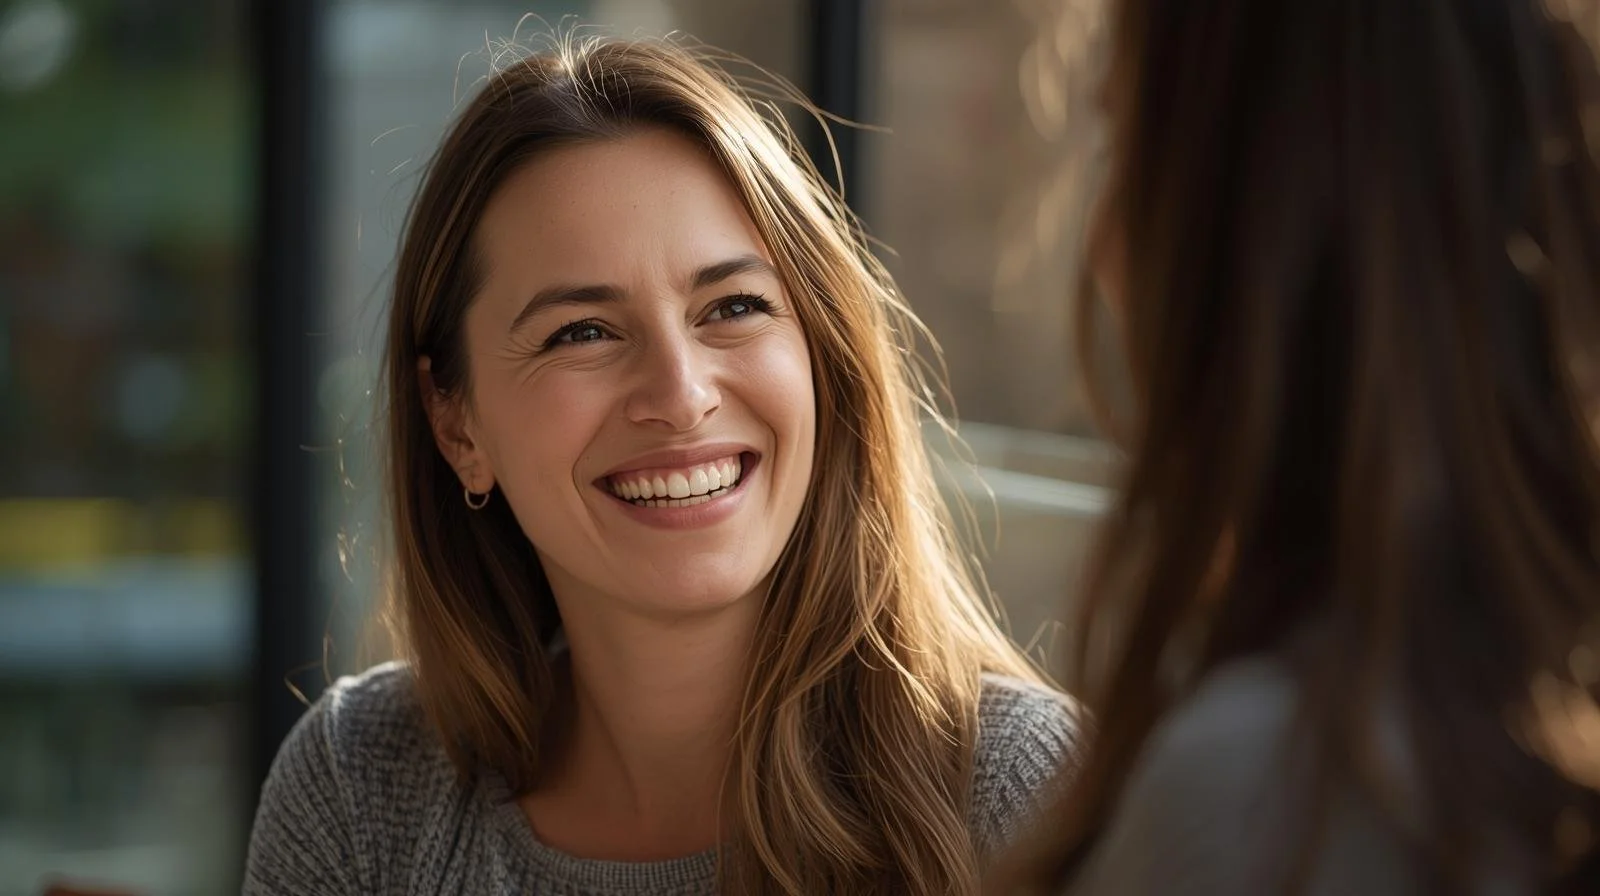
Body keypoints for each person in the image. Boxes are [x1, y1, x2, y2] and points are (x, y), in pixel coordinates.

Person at [243, 32, 1081, 896]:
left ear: (824, 357)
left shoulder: (1025, 799)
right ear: (455, 424)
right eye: (583, 332)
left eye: (734, 306)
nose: (681, 396)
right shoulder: (361, 789)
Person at [990, 0, 1600, 893]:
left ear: (1238, 225)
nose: (1099, 241)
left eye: (1124, 141)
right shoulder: (1510, 708)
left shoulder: (1266, 800)